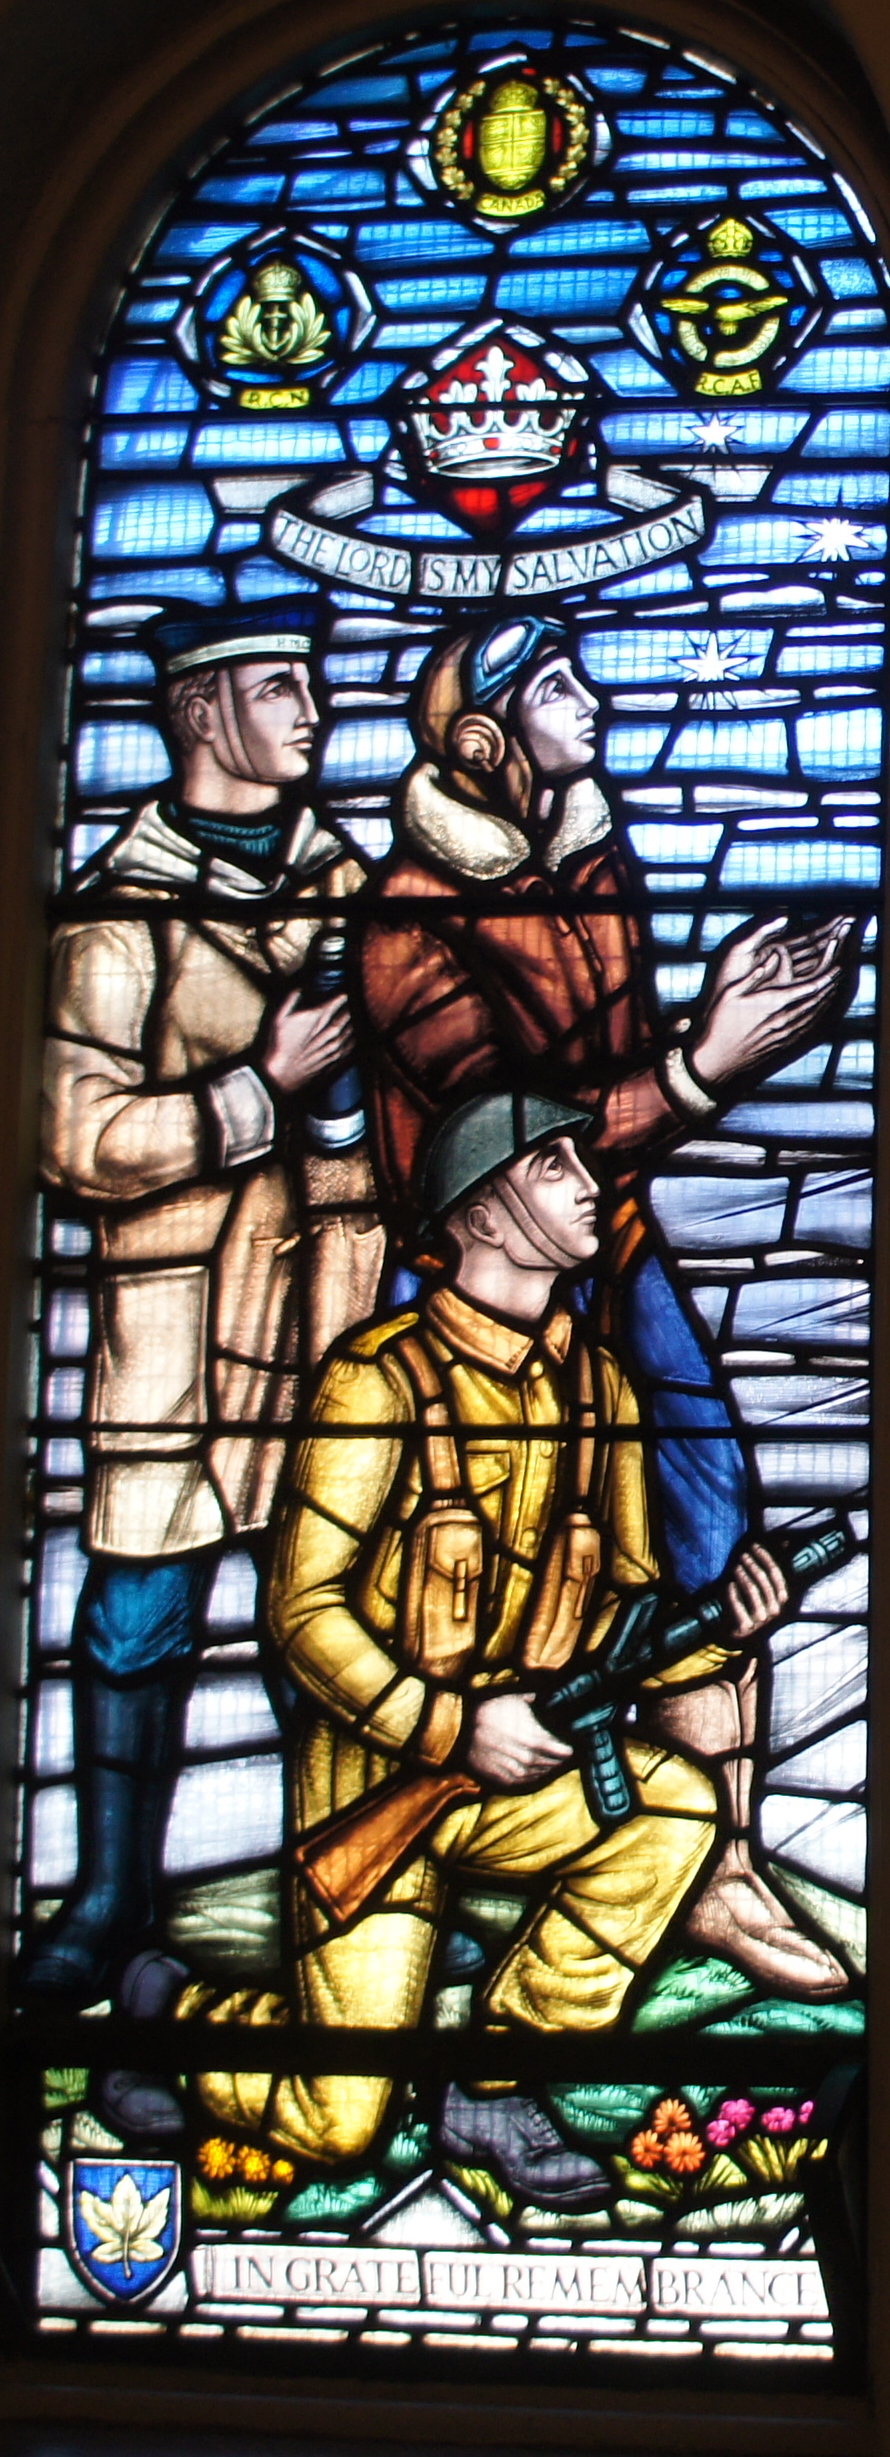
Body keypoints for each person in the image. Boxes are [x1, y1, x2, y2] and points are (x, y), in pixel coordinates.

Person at [357, 615, 850, 1997]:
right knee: (467, 1564)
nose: (592, 702)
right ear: (483, 738)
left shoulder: (590, 859)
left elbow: (598, 1088)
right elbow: (499, 1134)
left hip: (606, 1246)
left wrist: (715, 1026)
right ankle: (451, 1852)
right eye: (558, 686)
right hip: (477, 1285)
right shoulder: (406, 922)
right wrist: (702, 1067)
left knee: (707, 1532)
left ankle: (719, 1868)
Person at [191, 1094, 791, 2206]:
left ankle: (498, 2075)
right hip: (379, 1785)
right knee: (339, 2121)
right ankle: (183, 2023)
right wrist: (451, 1726)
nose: (588, 1181)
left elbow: (624, 1602)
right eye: (551, 1162)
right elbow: (304, 1612)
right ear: (479, 1214)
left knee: (673, 1807)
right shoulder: (375, 1380)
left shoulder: (595, 1388)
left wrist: (718, 1623)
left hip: (529, 1774)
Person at [26, 606, 385, 2005]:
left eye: (311, 685)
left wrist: (345, 1123)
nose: (312, 711)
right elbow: (79, 1140)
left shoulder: (346, 884)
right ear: (198, 711)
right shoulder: (117, 911)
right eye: (279, 687)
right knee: (138, 1616)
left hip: (317, 1313)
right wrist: (258, 1090)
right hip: (170, 1334)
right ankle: (110, 1895)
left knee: (328, 1614)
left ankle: (345, 1886)